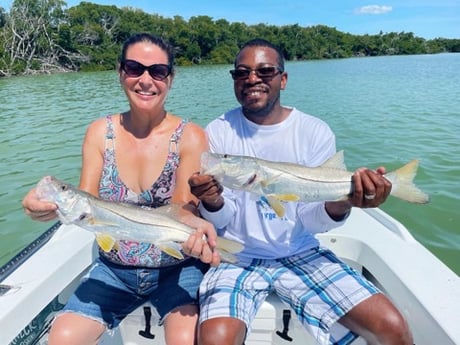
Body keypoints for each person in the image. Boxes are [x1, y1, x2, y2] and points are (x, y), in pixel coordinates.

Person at [188, 38, 413, 345]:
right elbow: (225, 217)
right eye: (242, 72)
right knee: (214, 340)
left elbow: (310, 219)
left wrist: (344, 202)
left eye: (265, 71)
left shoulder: (314, 131)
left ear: (283, 79)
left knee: (392, 326)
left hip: (301, 250)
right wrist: (212, 200)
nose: (252, 79)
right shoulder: (218, 131)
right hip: (236, 256)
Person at [22, 33, 220, 345]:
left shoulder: (191, 135)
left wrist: (196, 227)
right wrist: (45, 207)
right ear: (120, 72)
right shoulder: (100, 132)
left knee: (187, 340)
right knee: (62, 338)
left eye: (157, 71)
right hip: (112, 270)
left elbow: (183, 206)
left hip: (176, 268)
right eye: (134, 68)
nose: (145, 80)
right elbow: (87, 198)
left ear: (170, 78)